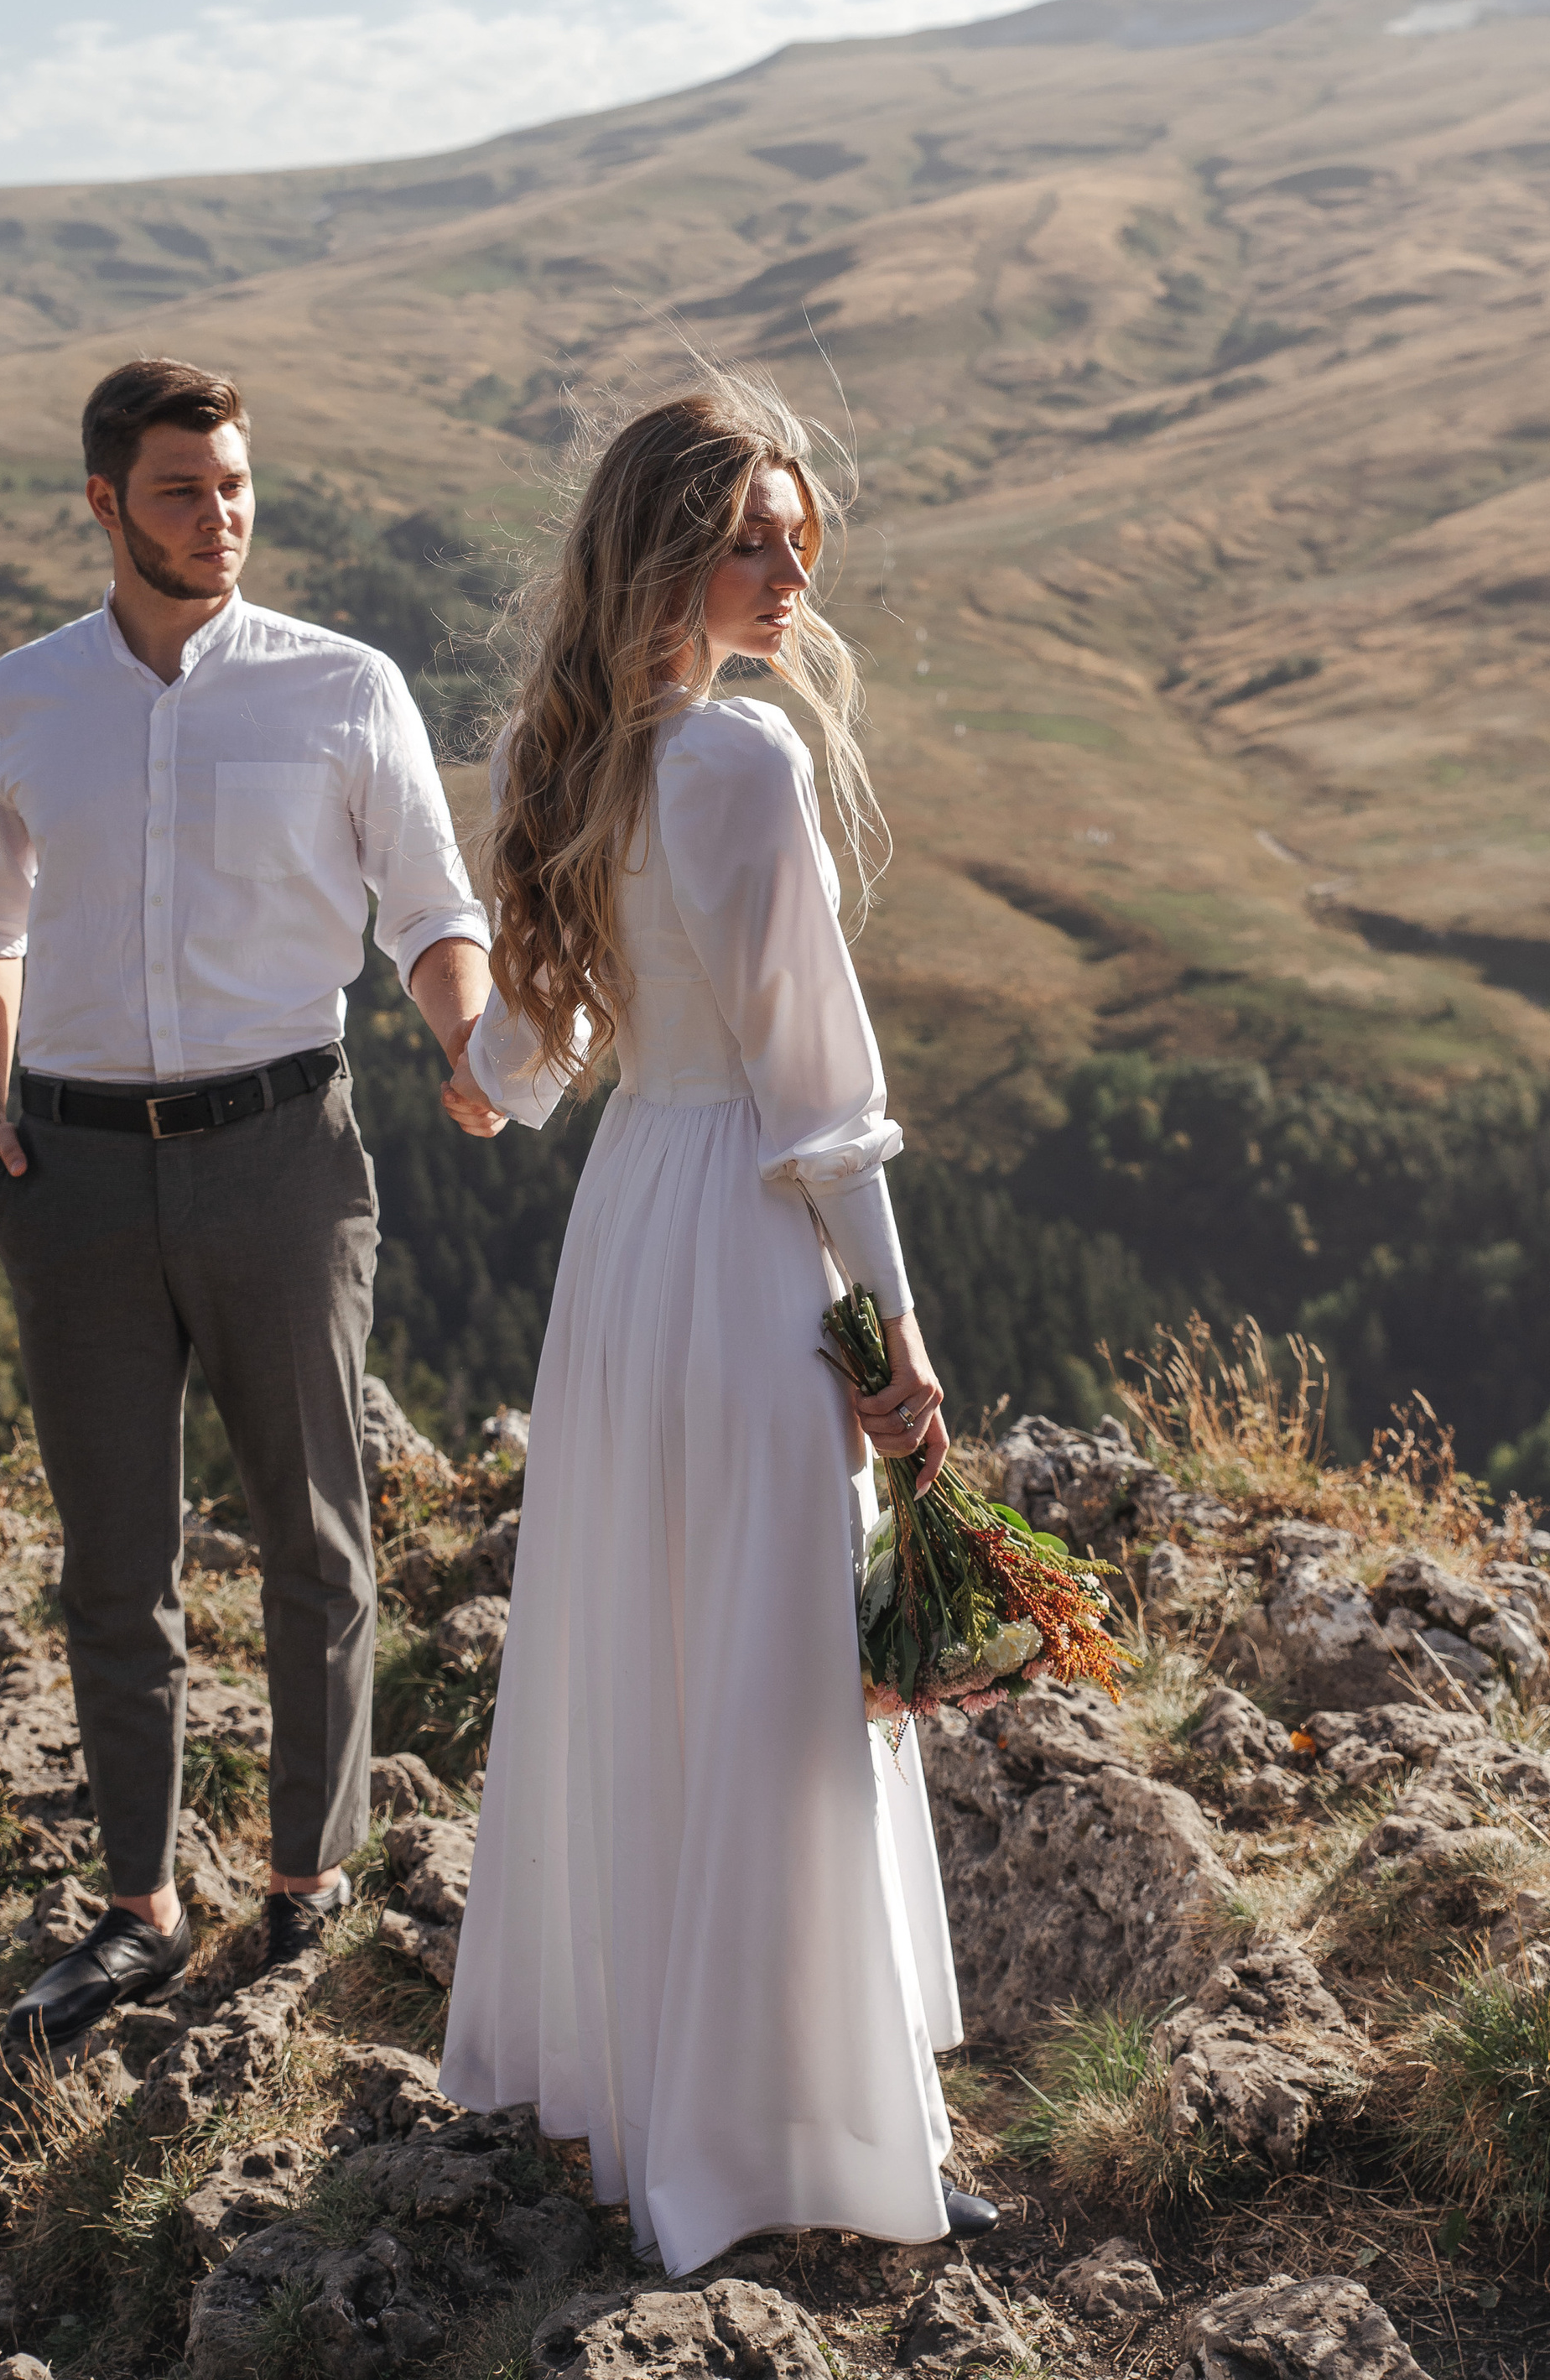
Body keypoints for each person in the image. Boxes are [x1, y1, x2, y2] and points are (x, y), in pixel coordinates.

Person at [436, 372, 986, 2277]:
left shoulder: (569, 754)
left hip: (625, 1242)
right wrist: (895, 1334)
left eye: (797, 538)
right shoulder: (739, 760)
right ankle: (809, 2127)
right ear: (665, 546)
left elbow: (528, 1054)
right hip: (747, 1234)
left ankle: (668, 2094)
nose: (790, 572)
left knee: (651, 1646)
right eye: (752, 539)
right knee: (778, 1678)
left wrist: (480, 1077)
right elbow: (821, 1098)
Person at [0, 355, 505, 2050]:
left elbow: (430, 905)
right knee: (116, 1559)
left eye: (236, 484)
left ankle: (309, 1883)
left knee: (315, 1535)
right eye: (182, 490)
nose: (219, 516)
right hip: (73, 1173)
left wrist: (467, 1038)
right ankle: (136, 1910)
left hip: (282, 1157)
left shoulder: (343, 685)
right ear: (104, 503)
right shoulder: (18, 699)